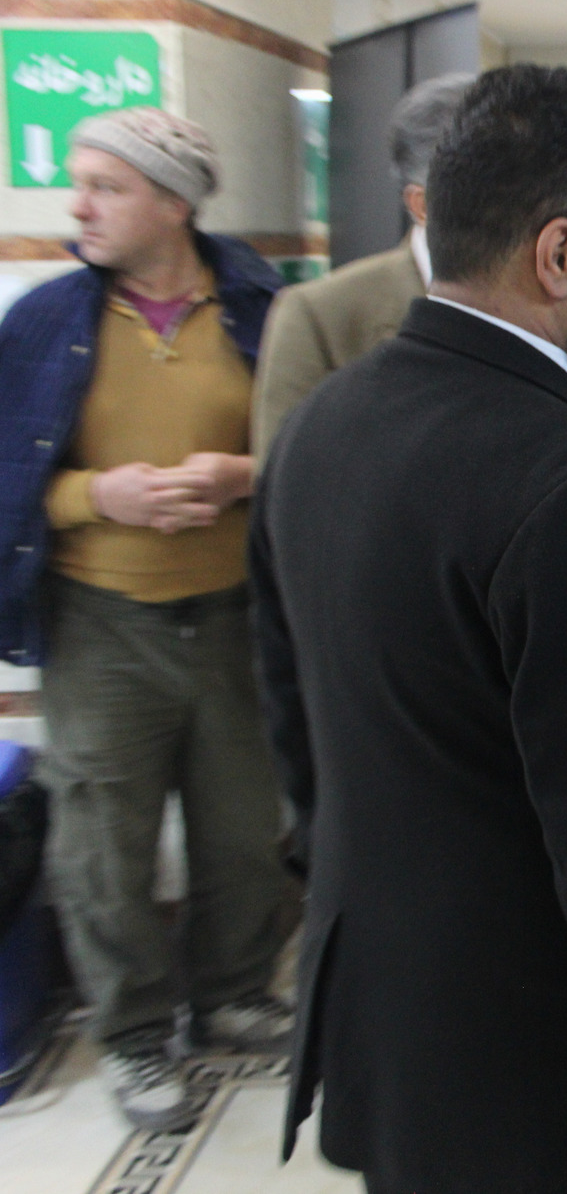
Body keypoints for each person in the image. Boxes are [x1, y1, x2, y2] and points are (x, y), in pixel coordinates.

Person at [249, 64, 567, 1192]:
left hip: (391, 1033)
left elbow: (294, 726)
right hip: (539, 1073)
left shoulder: (323, 422)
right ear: (558, 253)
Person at [0, 108, 293, 1131]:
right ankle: (131, 1032)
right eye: (77, 183)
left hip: (236, 614)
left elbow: (318, 444)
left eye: (105, 187)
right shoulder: (42, 323)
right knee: (102, 843)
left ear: (173, 203)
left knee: (245, 825)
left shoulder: (260, 308)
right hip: (100, 624)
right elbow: (6, 479)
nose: (77, 206)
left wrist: (242, 474)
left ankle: (233, 992)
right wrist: (99, 496)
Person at [252, 72, 473, 462]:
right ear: (423, 204)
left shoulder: (564, 301)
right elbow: (286, 479)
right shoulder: (320, 316)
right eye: (499, 186)